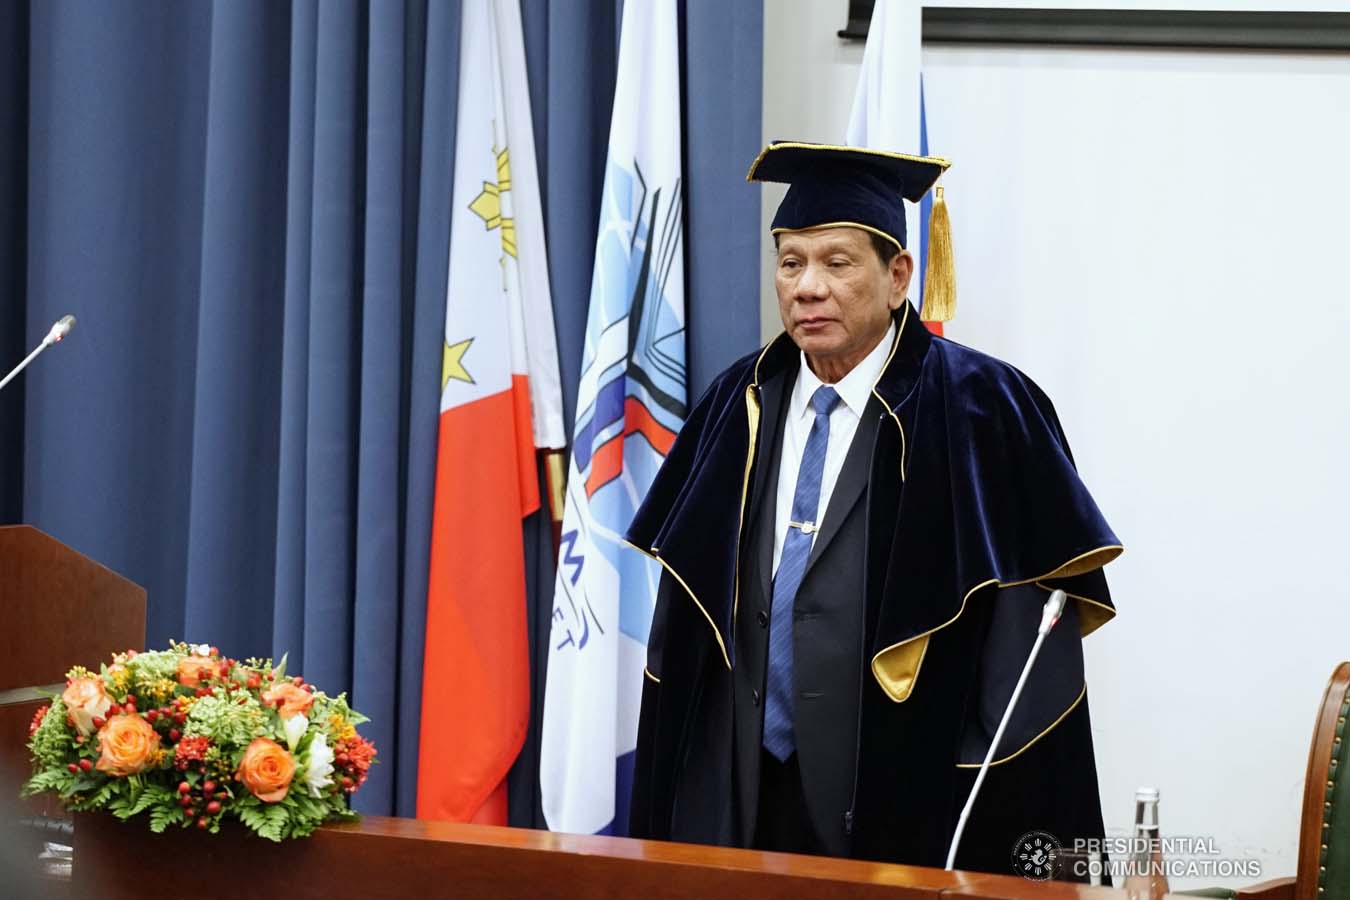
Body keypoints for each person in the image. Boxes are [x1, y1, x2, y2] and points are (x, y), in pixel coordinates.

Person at [625, 141, 1122, 875]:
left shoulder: (983, 409)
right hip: (744, 800)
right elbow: (683, 636)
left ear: (898, 278)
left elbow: (1025, 662)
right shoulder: (737, 403)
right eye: (790, 263)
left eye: (837, 263)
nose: (807, 288)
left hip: (908, 801)